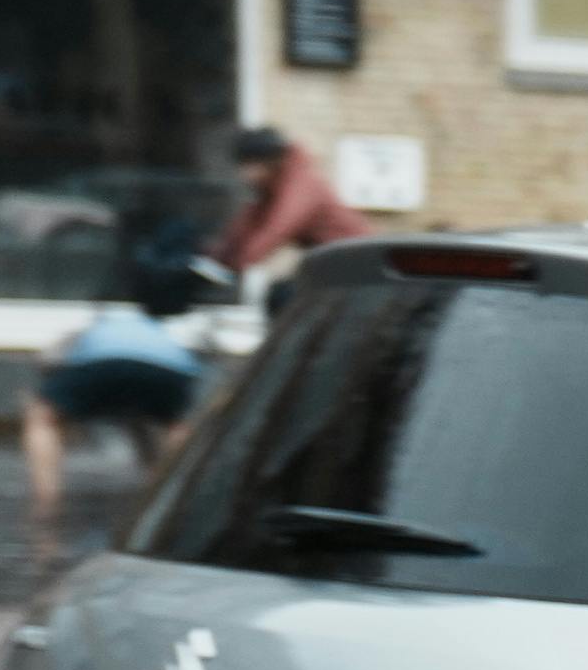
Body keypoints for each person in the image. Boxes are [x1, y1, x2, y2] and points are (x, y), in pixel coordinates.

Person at [22, 258, 214, 541]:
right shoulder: (157, 326)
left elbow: (48, 359)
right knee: (170, 424)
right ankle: (175, 496)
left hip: (102, 365)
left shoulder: (98, 323)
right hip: (170, 371)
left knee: (42, 418)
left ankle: (46, 502)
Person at [208, 124, 372, 286]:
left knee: (284, 298)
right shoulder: (272, 187)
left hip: (358, 264)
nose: (245, 176)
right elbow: (249, 222)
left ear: (270, 161)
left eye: (250, 167)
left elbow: (277, 228)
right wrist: (217, 257)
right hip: (331, 264)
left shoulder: (300, 184)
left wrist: (239, 263)